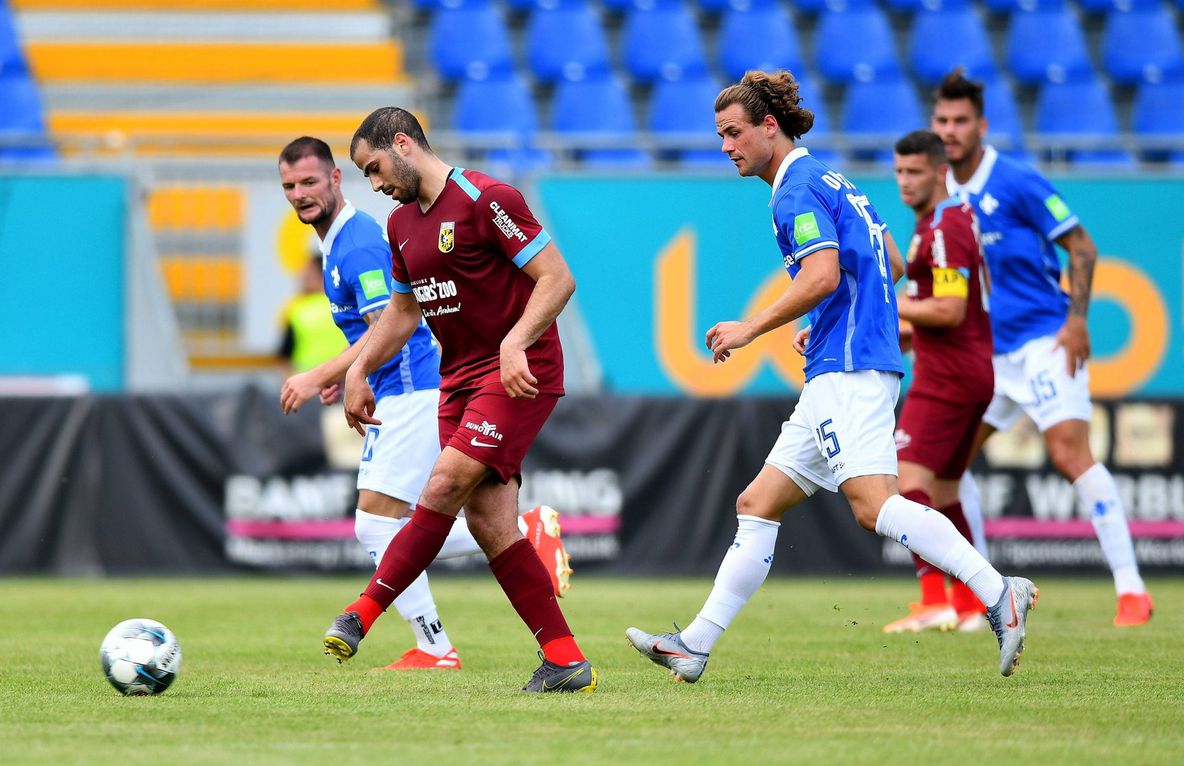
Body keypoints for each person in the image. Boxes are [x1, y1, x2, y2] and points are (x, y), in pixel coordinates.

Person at [625, 70, 1037, 682]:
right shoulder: (834, 180)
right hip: (843, 362)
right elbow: (889, 261)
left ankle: (997, 589)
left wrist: (751, 328)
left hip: (849, 371)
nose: (726, 146)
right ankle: (695, 645)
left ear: (770, 126)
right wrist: (830, 318)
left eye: (734, 133)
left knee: (874, 507)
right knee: (757, 503)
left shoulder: (795, 191)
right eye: (720, 135)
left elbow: (820, 275)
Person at [322, 108, 596, 693]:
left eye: (374, 169)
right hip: (459, 380)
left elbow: (557, 277)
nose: (374, 184)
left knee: (443, 485)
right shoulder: (400, 227)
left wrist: (517, 341)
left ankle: (362, 612)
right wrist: (358, 370)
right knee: (490, 523)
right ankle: (565, 659)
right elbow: (401, 312)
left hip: (518, 371)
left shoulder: (484, 197)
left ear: (403, 144)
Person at [931, 70, 1153, 627]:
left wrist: (1077, 321)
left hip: (1042, 341)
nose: (951, 130)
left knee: (1070, 454)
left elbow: (1081, 244)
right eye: (942, 121)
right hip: (987, 354)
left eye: (960, 121)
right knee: (946, 468)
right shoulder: (940, 191)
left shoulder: (1016, 180)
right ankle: (988, 595)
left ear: (981, 126)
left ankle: (1132, 591)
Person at [883, 130, 992, 635]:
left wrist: (881, 302)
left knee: (906, 489)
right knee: (944, 493)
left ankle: (934, 600)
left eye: (914, 172)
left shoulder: (946, 226)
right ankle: (971, 606)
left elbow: (948, 310)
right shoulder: (937, 223)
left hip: (948, 377)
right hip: (964, 371)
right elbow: (931, 314)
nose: (904, 182)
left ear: (939, 170)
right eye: (899, 171)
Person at [276, 254, 347, 376]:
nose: (303, 277)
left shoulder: (297, 309)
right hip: (343, 379)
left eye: (308, 274)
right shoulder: (347, 304)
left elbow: (284, 356)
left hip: (307, 382)